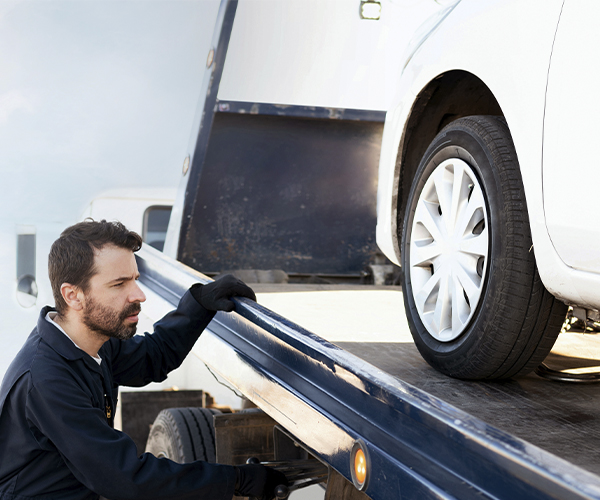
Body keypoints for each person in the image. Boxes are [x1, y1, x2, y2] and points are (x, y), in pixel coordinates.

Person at [0, 219, 287, 499]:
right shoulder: (46, 380)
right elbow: (125, 478)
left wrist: (198, 305)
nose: (138, 295)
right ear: (73, 296)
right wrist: (235, 480)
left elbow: (152, 358)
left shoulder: (93, 342)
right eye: (119, 284)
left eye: (135, 279)